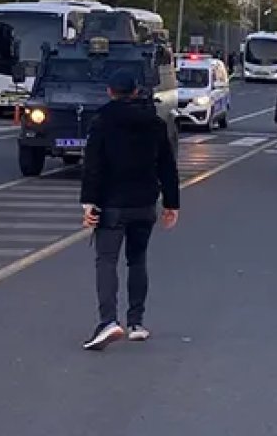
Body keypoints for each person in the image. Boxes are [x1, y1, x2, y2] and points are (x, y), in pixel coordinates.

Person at [79, 69, 180, 351]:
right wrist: (172, 203)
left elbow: (93, 166)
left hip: (112, 204)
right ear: (136, 92)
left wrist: (89, 203)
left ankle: (108, 321)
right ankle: (136, 322)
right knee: (137, 260)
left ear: (111, 91)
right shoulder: (156, 123)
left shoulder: (102, 121)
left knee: (106, 261)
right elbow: (167, 166)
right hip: (145, 203)